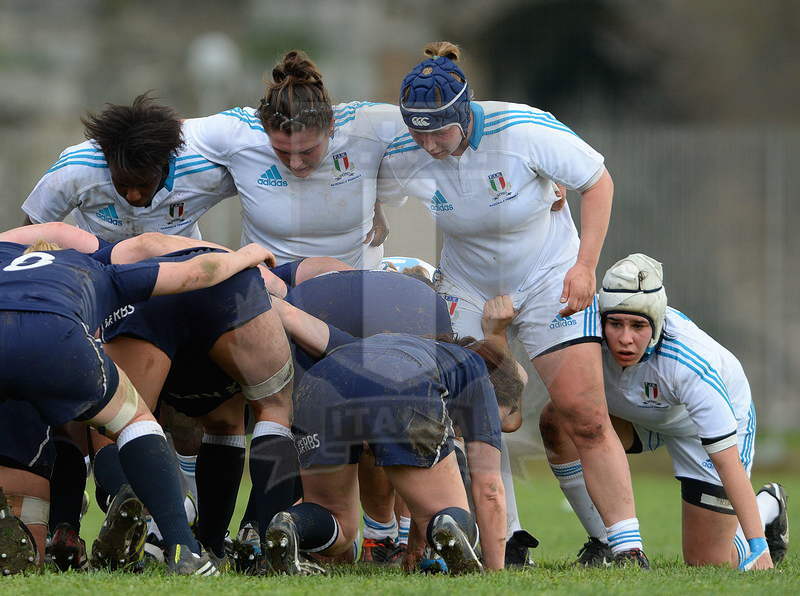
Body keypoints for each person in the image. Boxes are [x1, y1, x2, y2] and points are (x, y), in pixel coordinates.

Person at [378, 42, 646, 565]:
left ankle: (625, 545)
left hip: (550, 276)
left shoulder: (522, 130)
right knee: (470, 411)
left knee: (584, 413)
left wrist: (585, 265)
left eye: (439, 131)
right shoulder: (405, 149)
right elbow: (367, 179)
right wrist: (379, 214)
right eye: (418, 132)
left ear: (464, 114)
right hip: (469, 286)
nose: (428, 144)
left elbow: (597, 182)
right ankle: (509, 538)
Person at [0, 224, 271, 575]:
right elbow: (198, 272)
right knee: (134, 420)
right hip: (57, 334)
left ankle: (48, 533)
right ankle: (182, 548)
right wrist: (249, 254)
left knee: (36, 449)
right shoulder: (95, 269)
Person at [539, 254, 787, 570]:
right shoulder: (586, 335)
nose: (625, 338)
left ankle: (767, 506)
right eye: (615, 323)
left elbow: (727, 462)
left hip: (698, 431)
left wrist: (758, 548)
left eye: (638, 326)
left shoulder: (690, 363)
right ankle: (604, 544)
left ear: (657, 324)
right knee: (558, 420)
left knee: (708, 562)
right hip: (643, 417)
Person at [260, 296, 524, 574]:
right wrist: (495, 573)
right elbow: (490, 490)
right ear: (495, 392)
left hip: (318, 384)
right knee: (447, 518)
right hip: (403, 389)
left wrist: (414, 548)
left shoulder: (415, 349)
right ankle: (450, 527)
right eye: (497, 419)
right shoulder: (476, 370)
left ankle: (290, 523)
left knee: (337, 520)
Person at [182, 49, 406, 269]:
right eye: (282, 151)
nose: (295, 163)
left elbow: (431, 127)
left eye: (307, 150)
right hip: (271, 295)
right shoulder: (240, 133)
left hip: (355, 289)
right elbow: (165, 131)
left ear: (330, 125)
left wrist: (377, 201)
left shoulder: (365, 127)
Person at [22, 93, 236, 241]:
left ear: (164, 164)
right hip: (98, 267)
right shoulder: (75, 169)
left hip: (180, 268)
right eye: (122, 184)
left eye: (143, 184)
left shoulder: (203, 170)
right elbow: (31, 228)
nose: (133, 195)